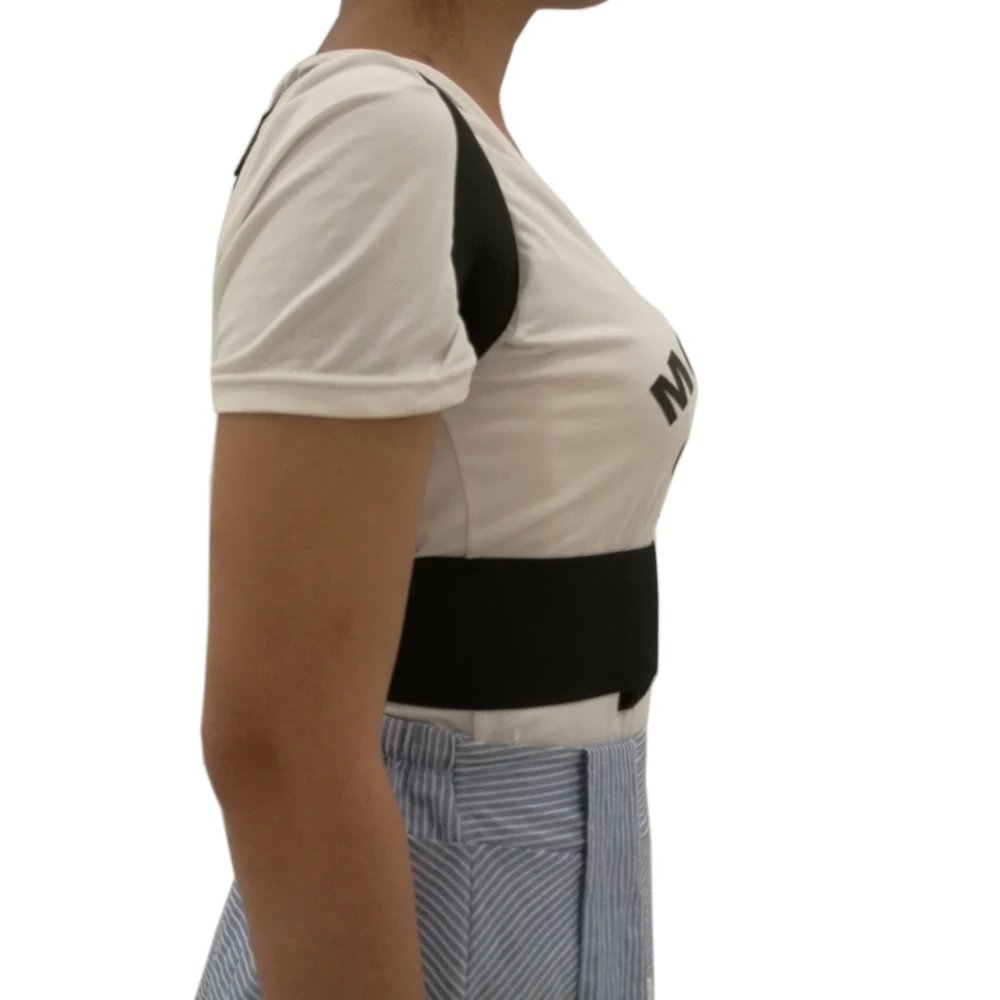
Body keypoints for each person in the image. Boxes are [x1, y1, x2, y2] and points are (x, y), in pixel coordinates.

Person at [195, 0, 698, 997]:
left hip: (545, 870)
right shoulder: (376, 132)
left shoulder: (440, 133)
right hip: (454, 889)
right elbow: (278, 744)